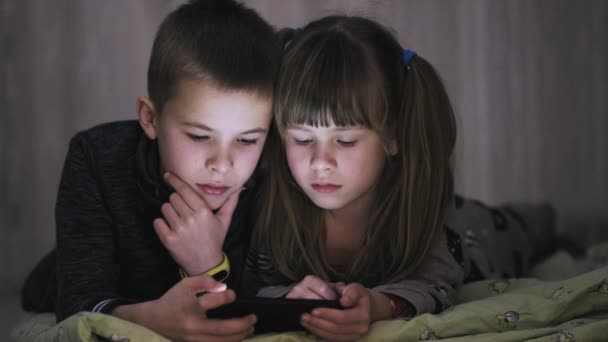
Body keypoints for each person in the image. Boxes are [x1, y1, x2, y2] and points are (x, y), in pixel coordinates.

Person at [243, 15, 542, 341]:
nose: (320, 163)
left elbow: (436, 283)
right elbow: (250, 285)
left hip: (475, 234)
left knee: (528, 226)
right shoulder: (268, 200)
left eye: (345, 141)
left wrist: (379, 304)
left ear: (392, 136)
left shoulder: (417, 201)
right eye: (302, 139)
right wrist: (287, 300)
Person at [20, 0, 280, 341]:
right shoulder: (96, 157)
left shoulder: (269, 175)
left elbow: (251, 306)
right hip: (72, 277)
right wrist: (150, 319)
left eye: (246, 140)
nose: (222, 163)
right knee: (38, 290)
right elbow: (78, 302)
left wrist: (208, 263)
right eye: (200, 135)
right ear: (150, 118)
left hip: (162, 286)